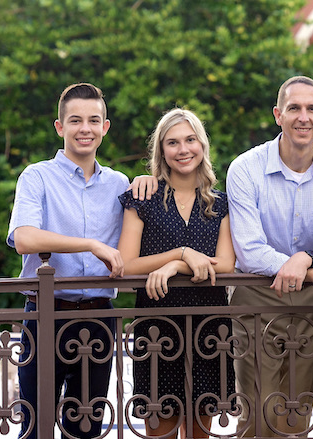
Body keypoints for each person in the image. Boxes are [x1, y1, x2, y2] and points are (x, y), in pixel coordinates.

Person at [226, 76, 313, 437]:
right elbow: (250, 250)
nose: (302, 117)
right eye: (293, 108)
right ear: (278, 115)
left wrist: (307, 261)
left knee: (297, 412)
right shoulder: (245, 168)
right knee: (255, 413)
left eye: (311, 109)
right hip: (258, 292)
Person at [6, 83, 129, 439]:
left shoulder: (120, 184)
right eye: (75, 120)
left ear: (105, 127)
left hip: (100, 316)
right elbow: (25, 238)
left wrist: (149, 180)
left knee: (86, 428)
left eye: (94, 120)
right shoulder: (37, 176)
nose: (85, 128)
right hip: (46, 313)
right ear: (60, 127)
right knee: (36, 425)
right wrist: (90, 244)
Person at [117, 108, 235, 439]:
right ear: (162, 151)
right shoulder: (141, 198)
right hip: (157, 328)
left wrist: (174, 267)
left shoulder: (220, 203)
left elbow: (226, 264)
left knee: (200, 429)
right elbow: (126, 265)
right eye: (173, 142)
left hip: (209, 328)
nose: (183, 150)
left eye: (190, 140)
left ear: (202, 145)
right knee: (161, 428)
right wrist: (180, 254)